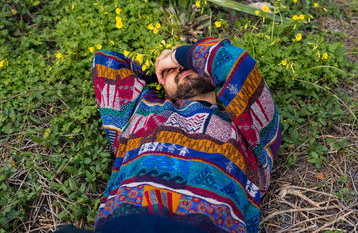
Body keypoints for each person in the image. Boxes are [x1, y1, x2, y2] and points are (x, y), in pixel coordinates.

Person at [90, 37, 281, 232]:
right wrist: (158, 74)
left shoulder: (247, 126)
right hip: (124, 226)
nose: (181, 69)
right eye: (173, 69)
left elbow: (235, 61)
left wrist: (175, 58)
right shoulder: (141, 111)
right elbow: (106, 63)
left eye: (189, 64)